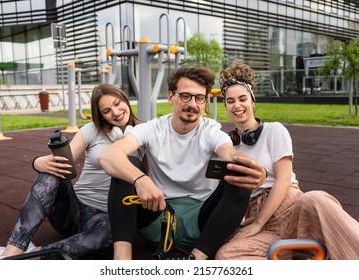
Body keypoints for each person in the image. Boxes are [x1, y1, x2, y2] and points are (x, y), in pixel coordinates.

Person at [98, 66, 267, 260]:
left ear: (205, 102)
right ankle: (121, 263)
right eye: (185, 96)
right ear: (171, 97)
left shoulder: (211, 131)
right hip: (157, 215)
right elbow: (109, 156)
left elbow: (229, 153)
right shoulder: (152, 128)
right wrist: (141, 180)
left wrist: (254, 170)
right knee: (125, 165)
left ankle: (194, 261)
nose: (192, 104)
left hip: (202, 225)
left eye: (199, 98)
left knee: (239, 178)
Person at [215, 58, 359, 260]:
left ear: (253, 100)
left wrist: (257, 223)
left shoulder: (274, 130)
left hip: (290, 207)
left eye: (242, 99)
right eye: (230, 101)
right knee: (226, 256)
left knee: (316, 199)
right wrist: (253, 223)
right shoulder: (226, 144)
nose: (237, 105)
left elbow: (283, 180)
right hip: (260, 220)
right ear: (225, 105)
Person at [0, 84, 142, 260]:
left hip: (106, 219)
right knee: (54, 169)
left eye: (118, 103)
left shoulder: (144, 133)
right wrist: (37, 162)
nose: (116, 112)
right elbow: (65, 161)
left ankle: (32, 256)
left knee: (115, 234)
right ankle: (10, 255)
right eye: (106, 110)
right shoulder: (91, 130)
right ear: (100, 115)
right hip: (73, 210)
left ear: (126, 100)